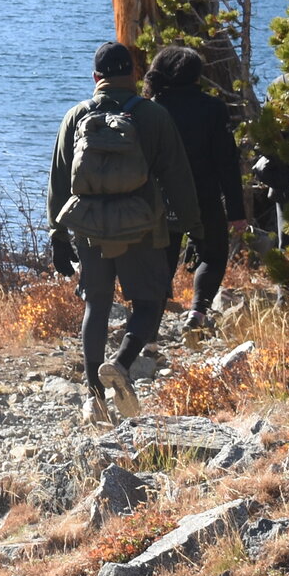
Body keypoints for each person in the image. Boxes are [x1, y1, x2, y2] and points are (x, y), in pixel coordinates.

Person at [49, 41, 210, 422]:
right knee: (149, 303)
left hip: (89, 229)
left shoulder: (75, 116)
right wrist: (194, 229)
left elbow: (58, 182)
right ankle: (121, 364)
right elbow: (178, 178)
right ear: (135, 75)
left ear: (95, 78)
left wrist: (57, 235)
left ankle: (94, 396)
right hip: (141, 226)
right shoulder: (152, 116)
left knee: (97, 304)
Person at [144, 45, 244, 334]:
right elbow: (227, 163)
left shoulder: (151, 108)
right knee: (213, 255)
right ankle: (197, 313)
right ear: (196, 75)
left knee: (162, 261)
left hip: (160, 200)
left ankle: (149, 327)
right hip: (204, 198)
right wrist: (236, 212)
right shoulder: (212, 108)